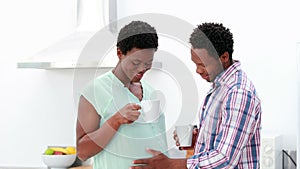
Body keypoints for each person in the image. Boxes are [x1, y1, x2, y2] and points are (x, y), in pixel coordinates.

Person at [131, 23, 262, 169]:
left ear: (224, 57)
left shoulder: (239, 93)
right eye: (195, 64)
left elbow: (224, 159)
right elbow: (222, 138)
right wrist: (199, 138)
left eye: (203, 64)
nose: (198, 70)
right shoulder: (220, 87)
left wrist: (171, 165)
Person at [76, 21, 168, 168]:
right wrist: (115, 121)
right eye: (136, 62)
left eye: (148, 62)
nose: (142, 69)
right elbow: (82, 151)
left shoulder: (150, 91)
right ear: (120, 53)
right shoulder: (94, 91)